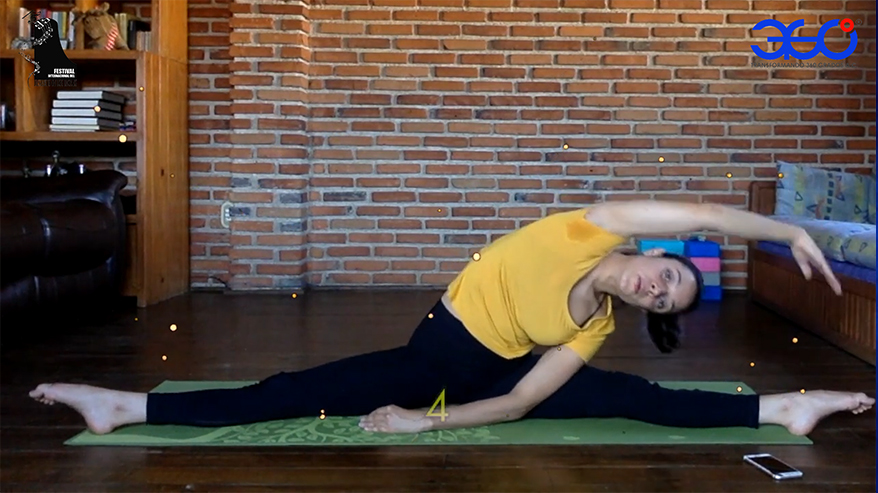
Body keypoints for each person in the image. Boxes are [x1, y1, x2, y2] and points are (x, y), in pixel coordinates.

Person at [30, 201, 873, 436]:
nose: (659, 290)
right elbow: (710, 213)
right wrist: (789, 231)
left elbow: (518, 401)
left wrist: (422, 425)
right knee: (292, 390)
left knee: (634, 396)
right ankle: (126, 404)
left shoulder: (594, 327)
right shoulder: (592, 226)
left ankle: (782, 408)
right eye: (668, 277)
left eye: (668, 301)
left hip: (490, 378)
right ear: (657, 253)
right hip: (440, 350)